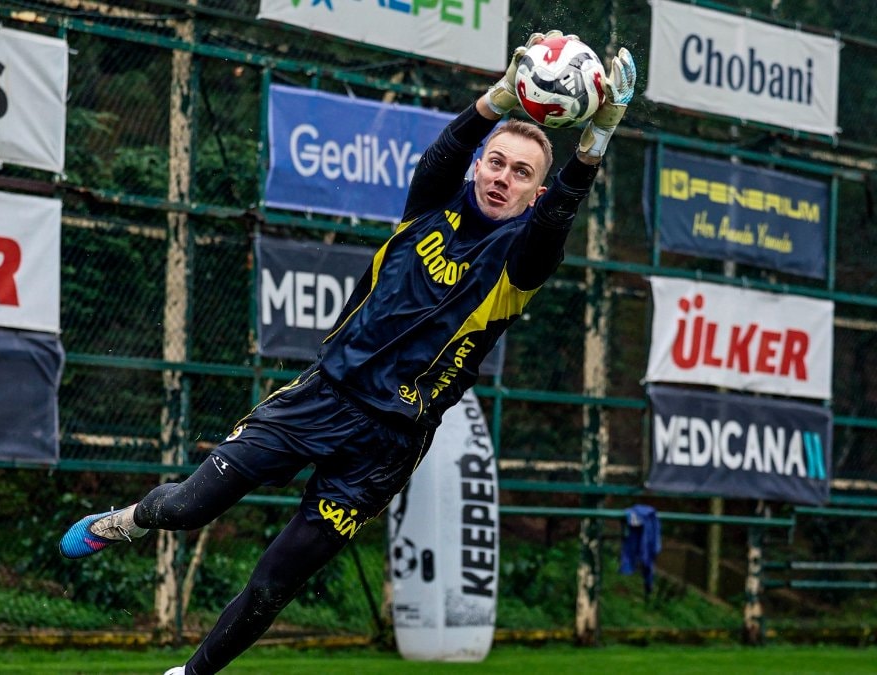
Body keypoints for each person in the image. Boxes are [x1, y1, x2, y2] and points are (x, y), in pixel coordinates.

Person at [60, 31, 636, 675]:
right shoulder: (427, 210)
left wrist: (593, 146)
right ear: (480, 166)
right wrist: (502, 94)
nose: (503, 178)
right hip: (320, 395)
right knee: (190, 508)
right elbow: (446, 150)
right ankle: (129, 520)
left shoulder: (520, 265)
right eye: (496, 163)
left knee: (278, 579)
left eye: (522, 174)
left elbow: (557, 221)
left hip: (386, 444)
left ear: (534, 193)